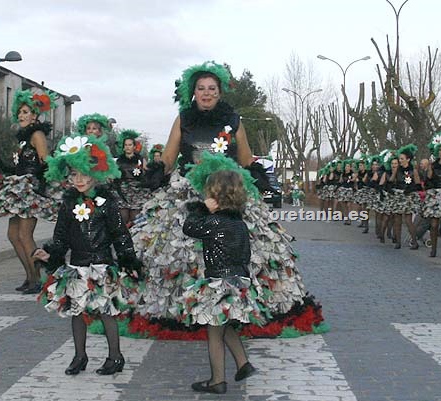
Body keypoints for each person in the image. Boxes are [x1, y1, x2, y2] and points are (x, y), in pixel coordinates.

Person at [132, 61, 324, 338]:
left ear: (219, 93)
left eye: (212, 88)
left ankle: (235, 310)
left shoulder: (234, 120)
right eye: (201, 88)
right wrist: (155, 171)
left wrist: (256, 177)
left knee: (249, 251)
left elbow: (246, 159)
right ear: (193, 92)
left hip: (230, 194)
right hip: (190, 191)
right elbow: (170, 158)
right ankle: (188, 311)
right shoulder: (183, 119)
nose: (206, 93)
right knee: (181, 252)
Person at [33, 134, 142, 375]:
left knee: (106, 311)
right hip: (78, 265)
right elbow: (61, 235)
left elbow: (120, 234)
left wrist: (128, 258)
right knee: (77, 311)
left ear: (96, 175)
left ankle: (115, 356)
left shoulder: (106, 203)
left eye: (84, 174)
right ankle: (79, 356)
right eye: (74, 175)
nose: (79, 179)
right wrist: (51, 254)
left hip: (102, 265)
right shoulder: (68, 204)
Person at [183, 167, 265, 394]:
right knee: (224, 325)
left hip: (219, 281)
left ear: (215, 196)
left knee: (214, 331)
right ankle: (243, 363)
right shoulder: (239, 224)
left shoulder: (215, 222)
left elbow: (189, 227)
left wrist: (200, 209)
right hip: (238, 281)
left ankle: (217, 380)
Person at [0, 90, 57, 294]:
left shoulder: (37, 135)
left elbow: (45, 161)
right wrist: (8, 168)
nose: (21, 115)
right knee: (13, 235)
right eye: (19, 112)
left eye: (25, 111)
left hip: (31, 189)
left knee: (24, 234)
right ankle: (30, 276)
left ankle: (37, 279)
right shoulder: (24, 136)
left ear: (34, 116)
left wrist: (41, 183)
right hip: (19, 187)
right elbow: (22, 163)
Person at [382, 145, 420, 249]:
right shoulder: (397, 170)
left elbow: (418, 185)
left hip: (408, 196)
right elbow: (391, 181)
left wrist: (410, 189)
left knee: (408, 220)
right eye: (399, 159)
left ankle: (415, 241)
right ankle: (398, 242)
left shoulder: (414, 171)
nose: (400, 160)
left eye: (402, 159)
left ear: (408, 159)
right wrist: (390, 188)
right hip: (398, 196)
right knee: (397, 219)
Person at [114, 129, 149, 225]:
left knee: (136, 219)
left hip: (137, 193)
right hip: (122, 193)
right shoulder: (119, 161)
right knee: (122, 217)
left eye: (130, 145)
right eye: (126, 145)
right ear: (123, 147)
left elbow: (147, 174)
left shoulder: (141, 160)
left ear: (134, 147)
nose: (128, 147)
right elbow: (113, 175)